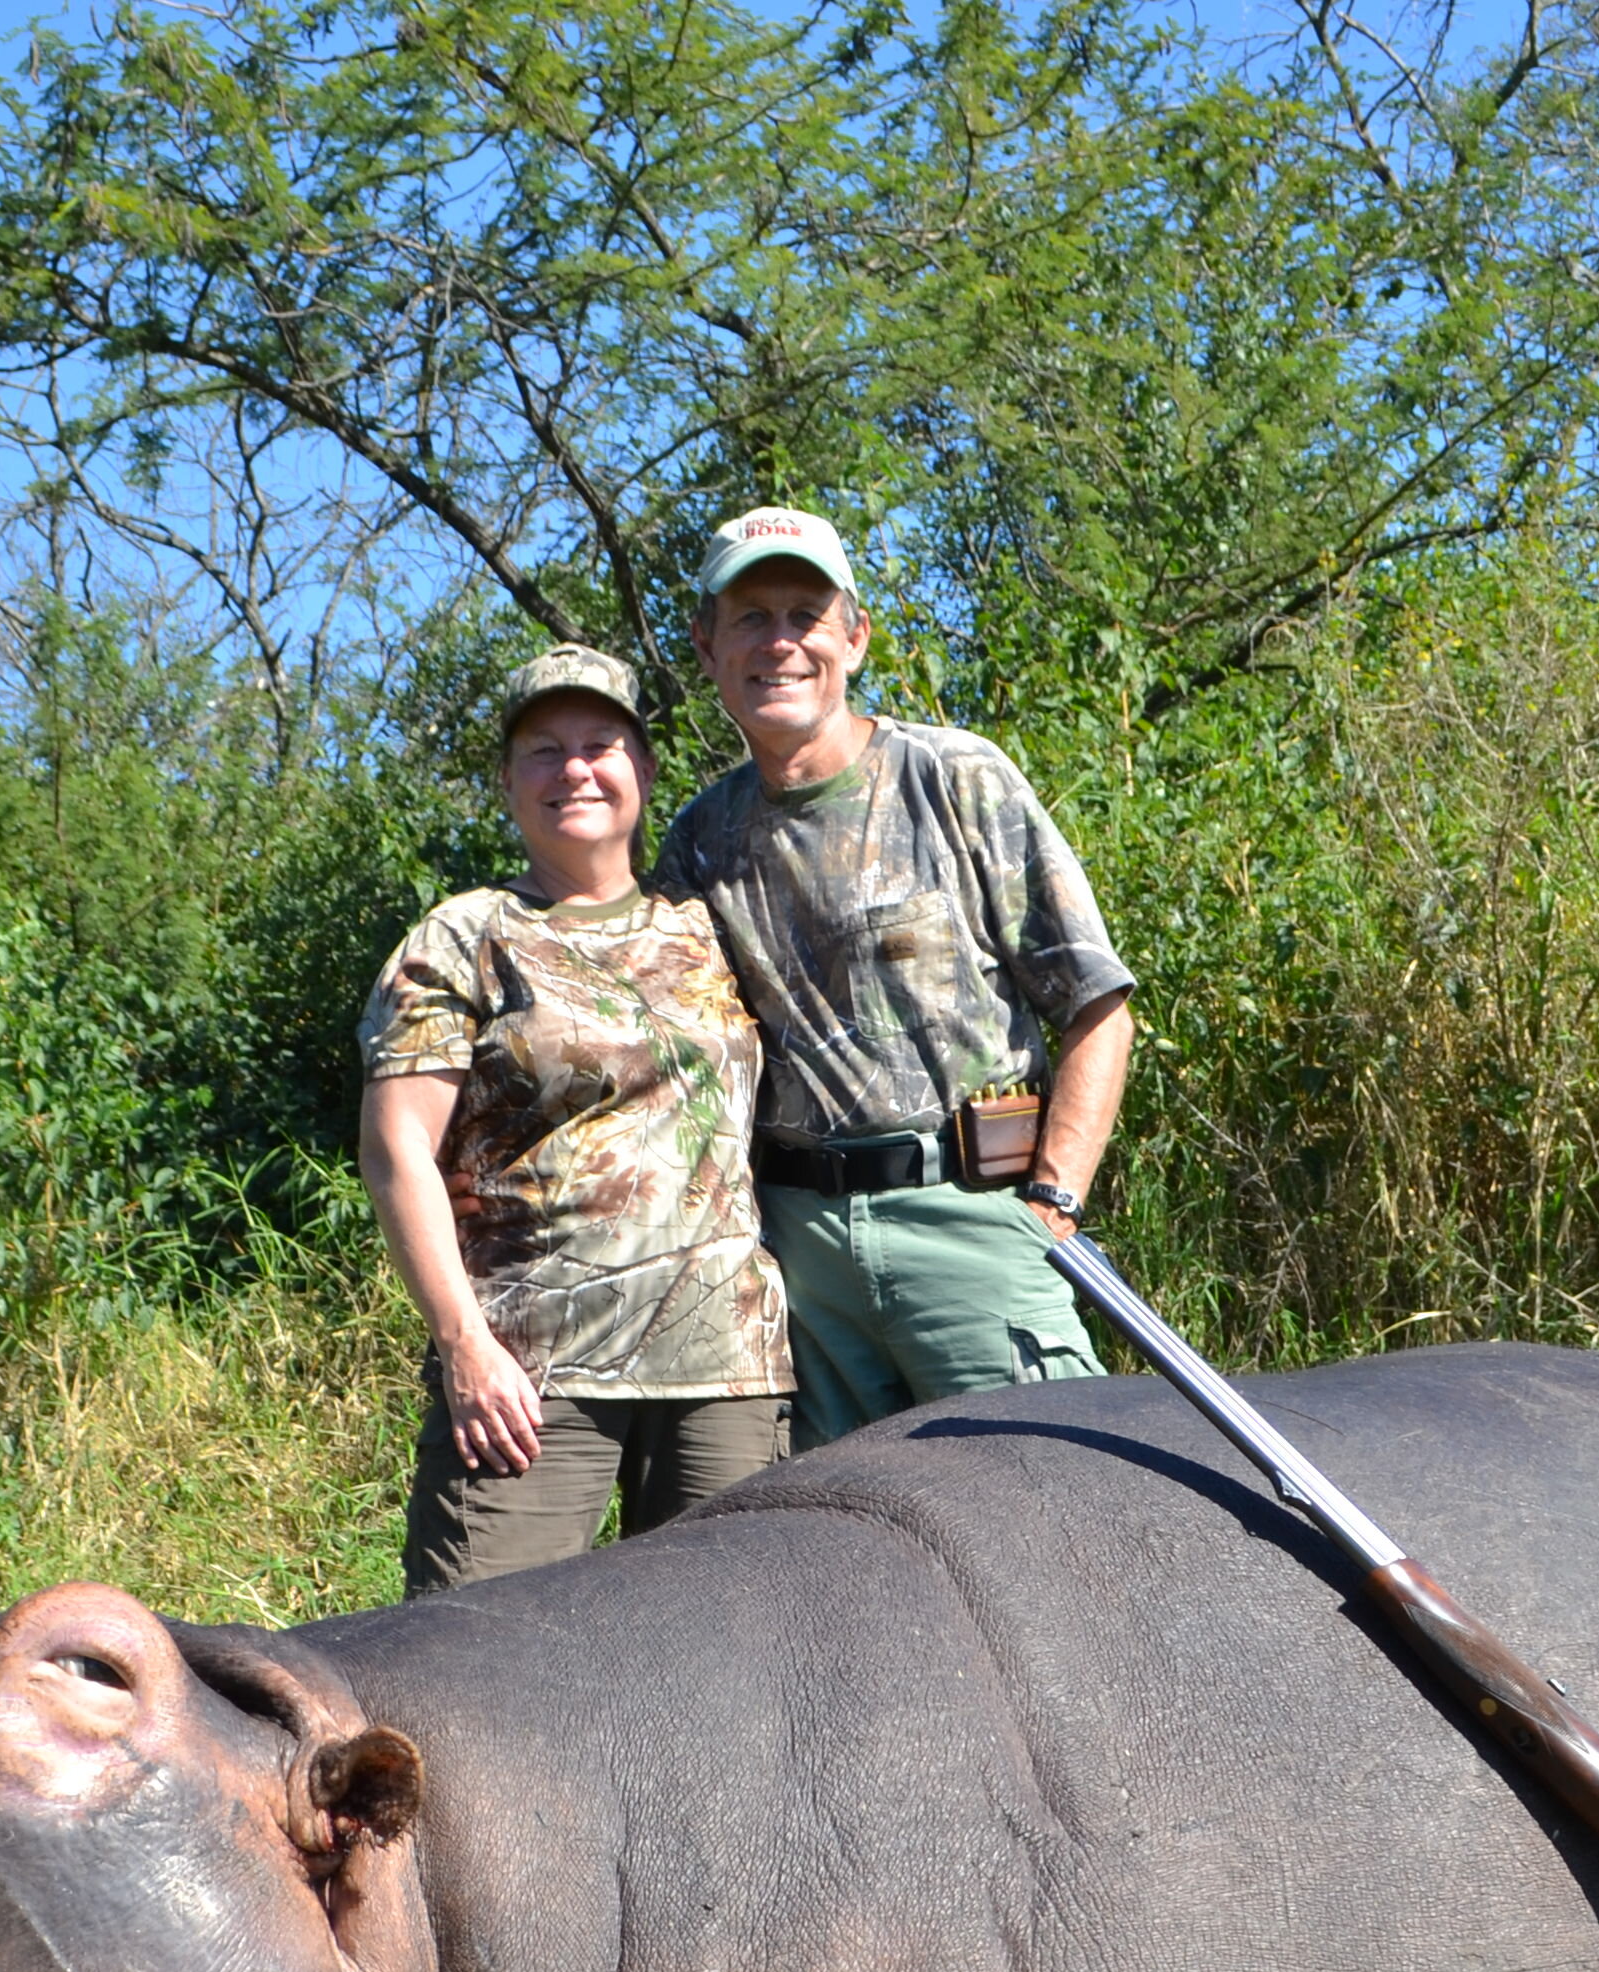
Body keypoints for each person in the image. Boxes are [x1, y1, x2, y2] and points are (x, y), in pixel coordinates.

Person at [653, 505, 1135, 1444]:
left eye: (806, 614)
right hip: (799, 1255)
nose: (780, 643)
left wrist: (1056, 1201)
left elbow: (1096, 1004)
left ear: (855, 637)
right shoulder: (697, 839)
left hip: (972, 1216)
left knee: (1055, 1504)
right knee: (852, 1556)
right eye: (751, 619)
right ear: (707, 647)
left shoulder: (956, 777)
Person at [358, 643, 791, 1594]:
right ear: (510, 784)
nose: (574, 770)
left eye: (600, 743)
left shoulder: (711, 922)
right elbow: (397, 1152)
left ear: (641, 769)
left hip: (728, 1370)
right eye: (544, 751)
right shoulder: (464, 936)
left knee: (723, 1661)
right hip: (531, 1379)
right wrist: (464, 1346)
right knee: (476, 1664)